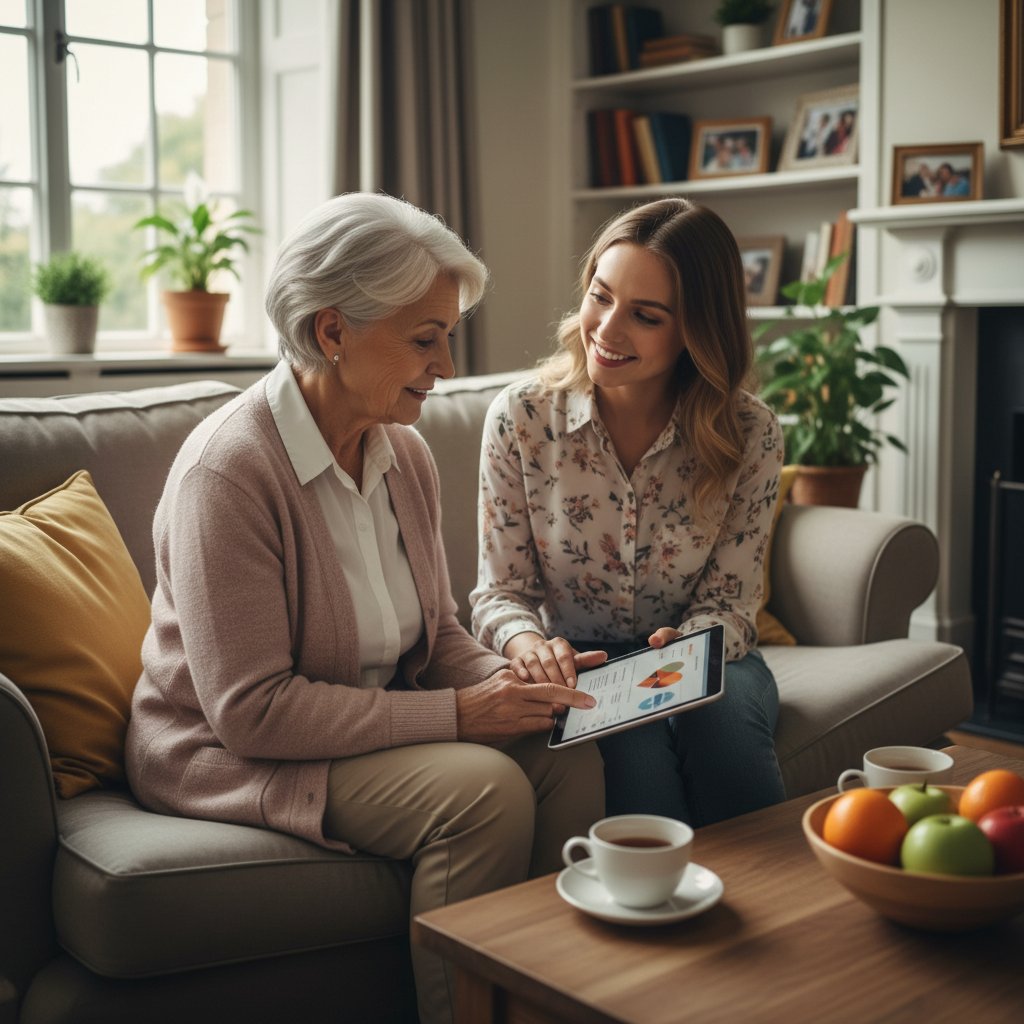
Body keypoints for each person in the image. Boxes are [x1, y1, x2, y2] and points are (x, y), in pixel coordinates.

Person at [125, 192, 604, 1024]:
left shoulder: (404, 453)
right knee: (485, 791)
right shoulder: (227, 475)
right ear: (331, 331)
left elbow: (439, 634)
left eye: (447, 337)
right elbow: (251, 711)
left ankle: (545, 1006)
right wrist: (463, 715)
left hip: (363, 720)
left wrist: (520, 679)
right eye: (425, 338)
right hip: (232, 752)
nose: (446, 365)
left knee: (568, 747)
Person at [471, 197, 787, 829]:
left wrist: (687, 650)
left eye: (645, 315)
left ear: (697, 330)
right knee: (640, 778)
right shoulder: (522, 418)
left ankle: (772, 893)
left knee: (725, 743)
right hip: (586, 661)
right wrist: (529, 647)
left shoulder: (750, 433)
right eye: (601, 295)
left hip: (706, 652)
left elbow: (730, 602)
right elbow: (500, 593)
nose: (607, 330)